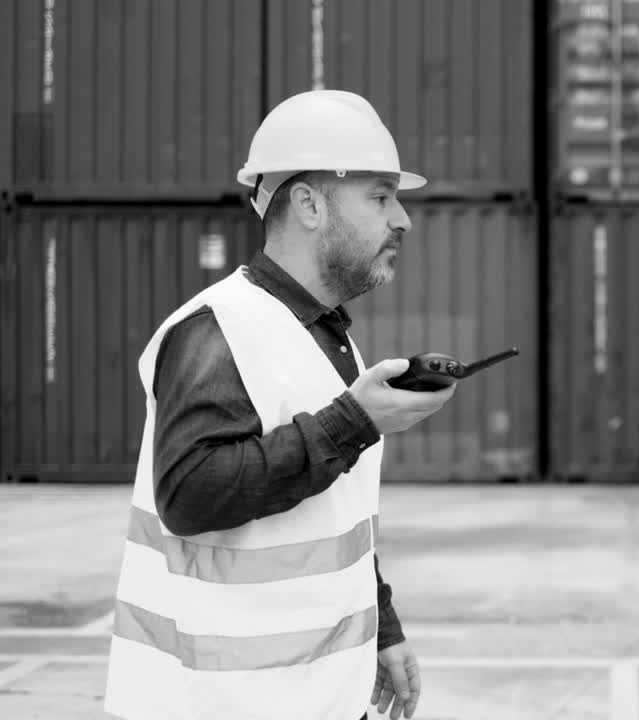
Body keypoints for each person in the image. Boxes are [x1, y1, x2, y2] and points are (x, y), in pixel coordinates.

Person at [103, 90, 451, 720]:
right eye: (380, 197)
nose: (403, 219)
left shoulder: (325, 334)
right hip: (222, 702)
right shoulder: (218, 329)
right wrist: (355, 422)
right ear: (309, 204)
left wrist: (383, 627)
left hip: (315, 694)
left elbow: (334, 517)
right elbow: (189, 495)